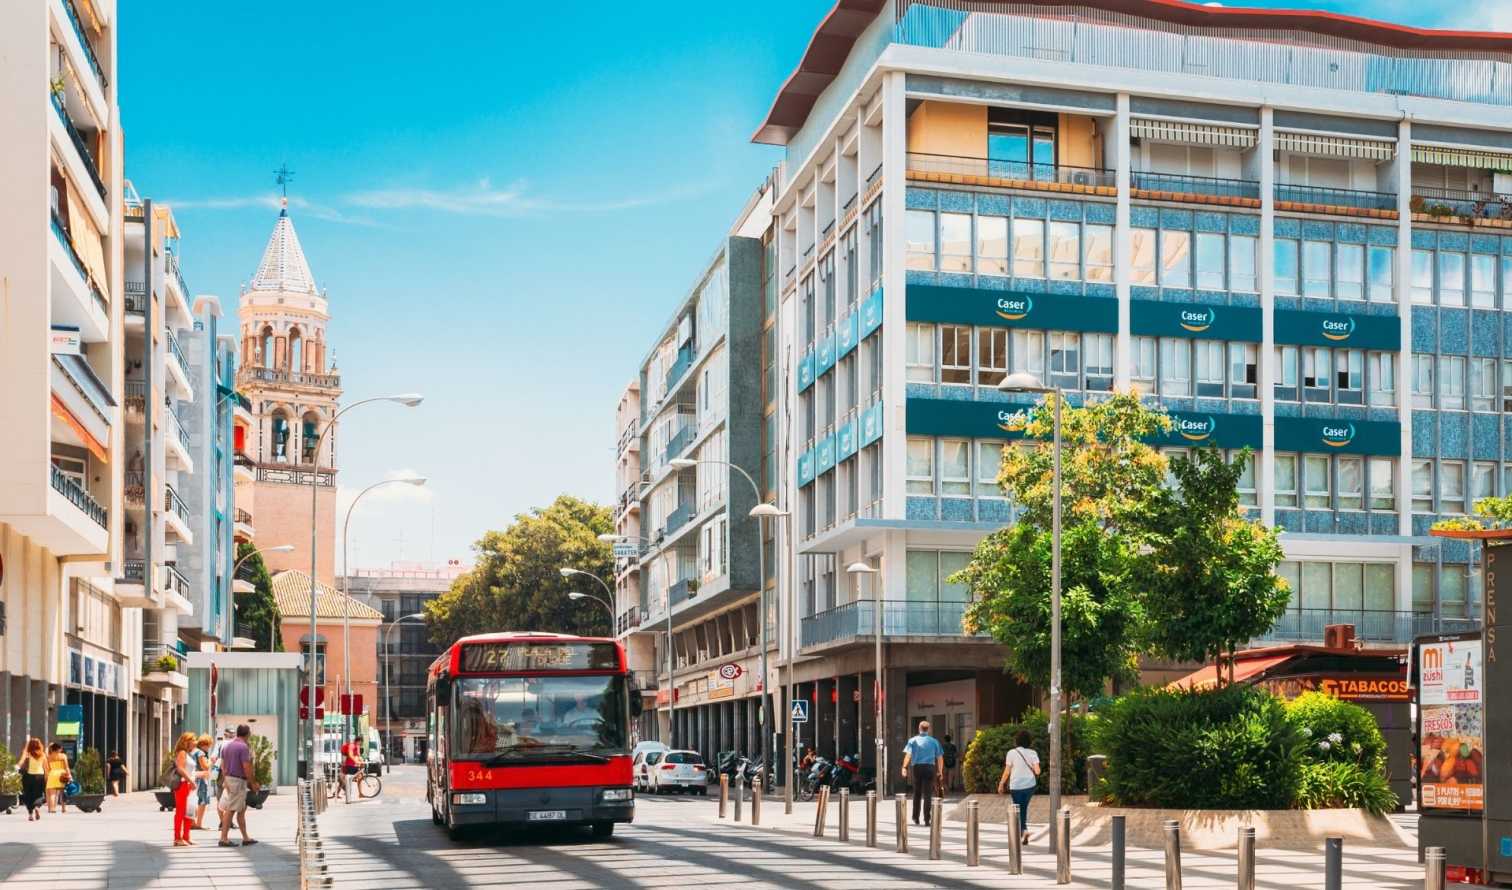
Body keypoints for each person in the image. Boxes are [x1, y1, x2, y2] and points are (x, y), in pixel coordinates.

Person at [217, 724, 260, 848]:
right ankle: (223, 838)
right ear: (248, 734)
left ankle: (245, 838)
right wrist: (253, 783)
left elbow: (222, 766)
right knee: (230, 810)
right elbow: (246, 767)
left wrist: (226, 780)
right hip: (238, 781)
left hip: (230, 779)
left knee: (241, 810)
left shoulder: (227, 746)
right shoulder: (243, 747)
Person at [996, 730, 1041, 845]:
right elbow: (1037, 771)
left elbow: (1007, 771)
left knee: (1019, 809)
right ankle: (1023, 831)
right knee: (1023, 807)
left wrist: (1001, 783)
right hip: (1030, 785)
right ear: (1029, 741)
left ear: (1017, 741)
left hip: (1016, 786)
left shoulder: (1011, 753)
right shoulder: (1033, 753)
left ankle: (1023, 831)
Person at [900, 720, 944, 826]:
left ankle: (916, 817)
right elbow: (940, 758)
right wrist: (940, 771)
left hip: (917, 768)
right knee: (928, 794)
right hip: (930, 768)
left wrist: (904, 767)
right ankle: (927, 819)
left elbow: (908, 755)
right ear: (929, 729)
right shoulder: (934, 741)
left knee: (917, 793)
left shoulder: (913, 740)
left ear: (919, 728)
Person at [169, 732, 200, 846]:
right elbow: (180, 769)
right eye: (194, 740)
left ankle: (186, 837)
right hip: (183, 785)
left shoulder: (187, 753)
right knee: (181, 811)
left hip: (189, 785)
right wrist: (191, 781)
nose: (195, 742)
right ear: (187, 741)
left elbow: (189, 770)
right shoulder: (182, 753)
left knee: (189, 811)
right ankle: (177, 838)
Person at [16, 738, 47, 821]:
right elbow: (46, 768)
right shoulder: (43, 754)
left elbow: (20, 763)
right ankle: (37, 807)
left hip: (29, 777)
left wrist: (16, 767)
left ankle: (30, 815)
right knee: (40, 795)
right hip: (40, 776)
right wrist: (46, 779)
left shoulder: (27, 754)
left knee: (28, 795)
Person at [192, 735, 215, 829]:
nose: (209, 747)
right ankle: (198, 823)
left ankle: (192, 822)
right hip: (201, 779)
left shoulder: (193, 751)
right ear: (204, 744)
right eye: (208, 745)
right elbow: (205, 767)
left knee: (193, 800)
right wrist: (211, 761)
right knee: (202, 801)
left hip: (194, 778)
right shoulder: (200, 753)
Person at [44, 743, 71, 814]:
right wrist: (69, 775)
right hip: (62, 774)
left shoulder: (49, 757)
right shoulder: (63, 756)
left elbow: (48, 768)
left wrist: (47, 777)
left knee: (52, 794)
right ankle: (63, 808)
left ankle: (52, 809)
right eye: (60, 748)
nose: (61, 749)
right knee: (63, 792)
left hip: (52, 774)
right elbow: (66, 767)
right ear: (58, 749)